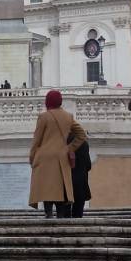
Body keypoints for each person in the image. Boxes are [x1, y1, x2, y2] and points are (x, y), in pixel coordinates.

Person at [28, 90, 87, 218]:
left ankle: (48, 214)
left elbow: (36, 139)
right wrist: (69, 148)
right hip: (61, 156)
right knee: (60, 189)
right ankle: (60, 216)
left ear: (48, 101)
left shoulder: (44, 117)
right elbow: (82, 135)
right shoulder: (68, 116)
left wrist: (32, 157)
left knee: (46, 188)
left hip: (44, 157)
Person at [71, 137, 92, 218]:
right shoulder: (84, 144)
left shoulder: (64, 143)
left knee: (65, 213)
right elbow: (88, 165)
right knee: (78, 214)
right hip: (81, 183)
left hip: (67, 183)